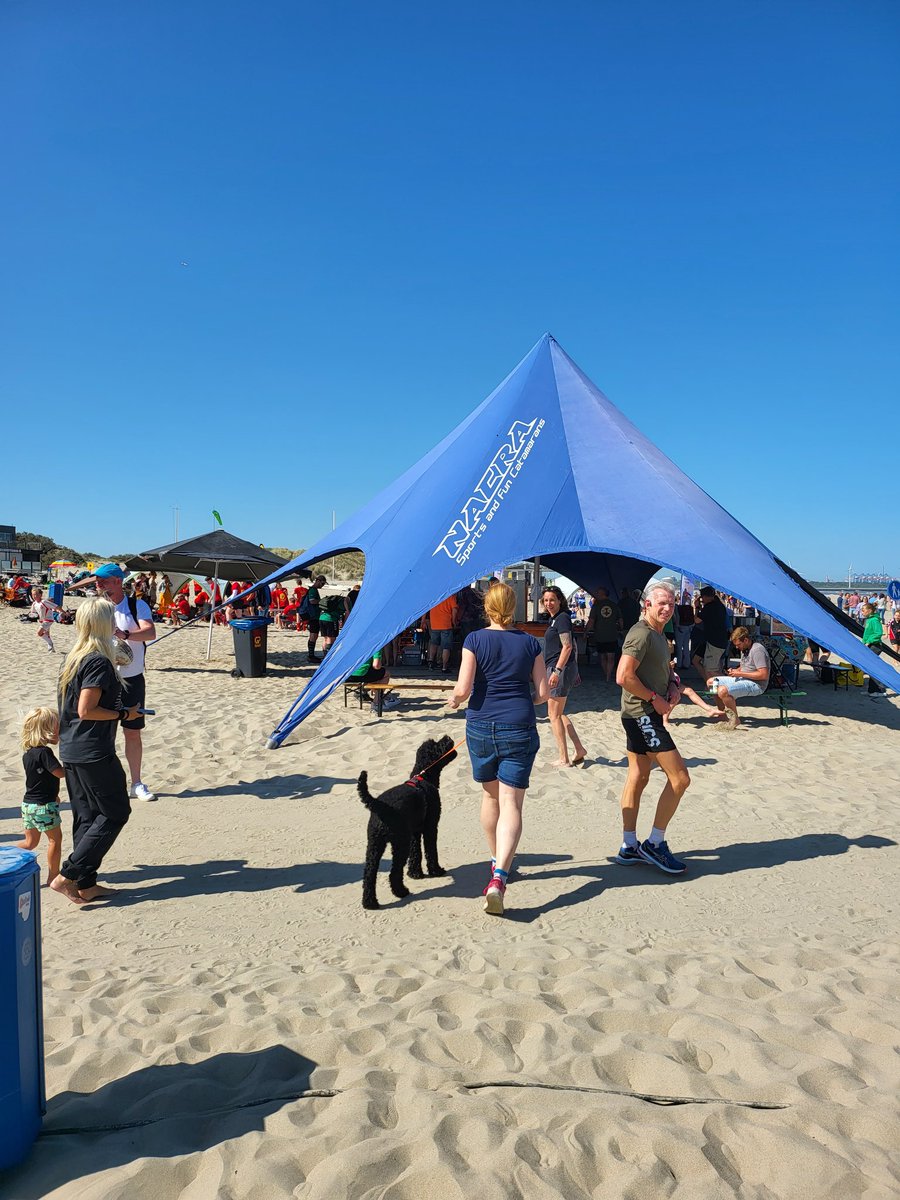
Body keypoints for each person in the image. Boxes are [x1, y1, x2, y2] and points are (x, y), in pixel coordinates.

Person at [449, 582, 549, 916]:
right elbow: (543, 693)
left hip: (480, 724)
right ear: (514, 606)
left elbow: (463, 688)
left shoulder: (475, 639)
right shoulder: (530, 643)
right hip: (518, 723)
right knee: (512, 803)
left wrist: (453, 699)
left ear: (487, 607)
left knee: (491, 797)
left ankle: (497, 862)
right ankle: (500, 876)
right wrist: (527, 698)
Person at [50, 598, 139, 905]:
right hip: (91, 749)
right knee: (115, 812)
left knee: (87, 816)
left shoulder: (74, 657)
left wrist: (119, 709)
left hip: (73, 747)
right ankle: (69, 875)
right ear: (103, 623)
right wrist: (125, 715)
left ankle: (85, 885)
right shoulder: (97, 660)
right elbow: (86, 709)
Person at [615, 579, 691, 875]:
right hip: (641, 713)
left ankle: (629, 845)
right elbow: (623, 675)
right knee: (680, 779)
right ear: (646, 604)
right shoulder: (641, 633)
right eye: (661, 603)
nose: (667, 608)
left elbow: (659, 669)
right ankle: (654, 843)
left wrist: (672, 684)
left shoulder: (659, 634)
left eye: (671, 604)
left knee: (638, 776)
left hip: (641, 713)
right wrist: (656, 699)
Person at [90, 564, 157, 802]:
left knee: (132, 732)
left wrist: (124, 635)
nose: (98, 584)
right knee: (100, 733)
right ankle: (103, 784)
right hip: (102, 679)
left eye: (103, 581)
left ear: (118, 581)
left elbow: (150, 633)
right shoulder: (96, 606)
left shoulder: (135, 605)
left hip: (131, 679)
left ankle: (137, 783)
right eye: (97, 581)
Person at [17, 707, 66, 884]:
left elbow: (38, 778)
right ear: (45, 730)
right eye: (57, 727)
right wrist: (73, 767)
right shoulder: (45, 753)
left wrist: (53, 794)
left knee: (30, 842)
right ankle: (53, 876)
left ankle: (9, 858)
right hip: (43, 806)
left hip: (28, 805)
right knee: (55, 840)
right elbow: (58, 773)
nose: (60, 730)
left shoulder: (28, 753)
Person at [541, 586, 587, 768]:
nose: (549, 603)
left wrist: (558, 671)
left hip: (559, 669)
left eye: (552, 599)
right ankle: (579, 749)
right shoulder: (554, 619)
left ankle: (564, 758)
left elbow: (568, 646)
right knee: (559, 713)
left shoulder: (562, 619)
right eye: (545, 600)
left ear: (560, 600)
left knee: (553, 715)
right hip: (559, 668)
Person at [707, 627, 771, 728]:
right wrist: (736, 671)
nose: (737, 647)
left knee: (722, 691)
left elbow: (763, 675)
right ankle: (722, 713)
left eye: (738, 645)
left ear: (746, 640)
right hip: (744, 679)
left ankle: (735, 719)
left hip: (757, 684)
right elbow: (746, 666)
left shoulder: (757, 650)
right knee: (711, 682)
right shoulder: (745, 648)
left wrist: (740, 674)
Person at [585, 587, 621, 682]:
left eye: (598, 593)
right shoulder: (614, 605)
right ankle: (608, 676)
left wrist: (586, 632)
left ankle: (606, 675)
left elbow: (591, 621)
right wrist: (620, 629)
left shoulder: (596, 606)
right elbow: (620, 620)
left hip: (600, 635)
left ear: (602, 594)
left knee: (602, 657)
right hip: (612, 635)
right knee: (611, 657)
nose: (596, 594)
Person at [349, 646, 399, 713]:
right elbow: (376, 666)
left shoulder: (353, 642)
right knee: (385, 674)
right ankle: (376, 702)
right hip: (361, 674)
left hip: (346, 676)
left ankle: (380, 695)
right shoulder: (376, 644)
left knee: (375, 675)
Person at [696, 586, 729, 682]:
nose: (702, 599)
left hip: (714, 642)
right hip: (719, 641)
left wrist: (697, 607)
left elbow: (697, 620)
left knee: (711, 670)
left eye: (702, 597)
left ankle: (729, 684)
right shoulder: (720, 606)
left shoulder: (709, 607)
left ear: (707, 597)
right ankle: (711, 689)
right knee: (713, 668)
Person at [861, 603, 887, 697]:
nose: (862, 612)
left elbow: (878, 633)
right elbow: (867, 633)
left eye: (863, 610)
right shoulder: (868, 620)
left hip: (875, 646)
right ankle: (871, 690)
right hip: (869, 645)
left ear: (870, 611)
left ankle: (881, 690)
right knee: (870, 667)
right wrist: (864, 642)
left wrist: (869, 641)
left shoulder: (875, 620)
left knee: (871, 668)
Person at [428, 593, 458, 674]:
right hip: (446, 625)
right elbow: (454, 609)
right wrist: (454, 621)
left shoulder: (434, 596)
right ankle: (444, 667)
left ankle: (431, 662)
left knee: (434, 644)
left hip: (434, 624)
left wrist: (423, 620)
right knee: (446, 647)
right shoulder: (450, 596)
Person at [29, 586, 60, 653]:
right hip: (42, 621)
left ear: (40, 595)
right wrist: (31, 616)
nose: (34, 596)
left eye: (36, 594)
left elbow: (56, 606)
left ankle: (50, 644)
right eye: (33, 594)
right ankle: (52, 649)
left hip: (48, 620)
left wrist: (64, 613)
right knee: (47, 634)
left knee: (39, 633)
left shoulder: (44, 602)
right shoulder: (34, 603)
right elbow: (32, 613)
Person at [304, 575, 326, 663]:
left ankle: (311, 655)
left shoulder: (313, 590)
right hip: (313, 616)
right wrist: (322, 601)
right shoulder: (313, 590)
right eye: (322, 583)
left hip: (314, 616)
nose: (323, 585)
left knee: (314, 635)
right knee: (313, 635)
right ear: (318, 581)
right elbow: (312, 601)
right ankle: (311, 655)